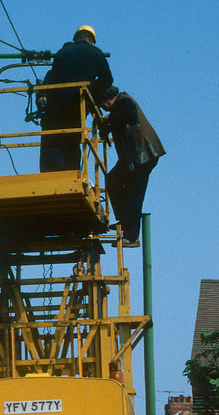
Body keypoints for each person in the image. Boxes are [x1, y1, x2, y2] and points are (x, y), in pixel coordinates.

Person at [97, 86, 165, 248]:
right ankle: (125, 222)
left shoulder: (124, 101)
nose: (101, 107)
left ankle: (132, 235)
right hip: (133, 157)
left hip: (143, 155)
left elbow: (130, 116)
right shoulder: (120, 105)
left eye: (100, 103)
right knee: (113, 180)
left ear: (107, 99)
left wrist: (108, 119)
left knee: (134, 193)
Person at [38, 25, 113, 172]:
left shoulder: (63, 52)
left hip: (57, 103)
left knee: (53, 138)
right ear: (92, 40)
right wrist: (91, 87)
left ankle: (51, 173)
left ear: (76, 39)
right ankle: (72, 172)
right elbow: (108, 80)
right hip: (79, 103)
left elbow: (52, 76)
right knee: (74, 137)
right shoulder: (96, 53)